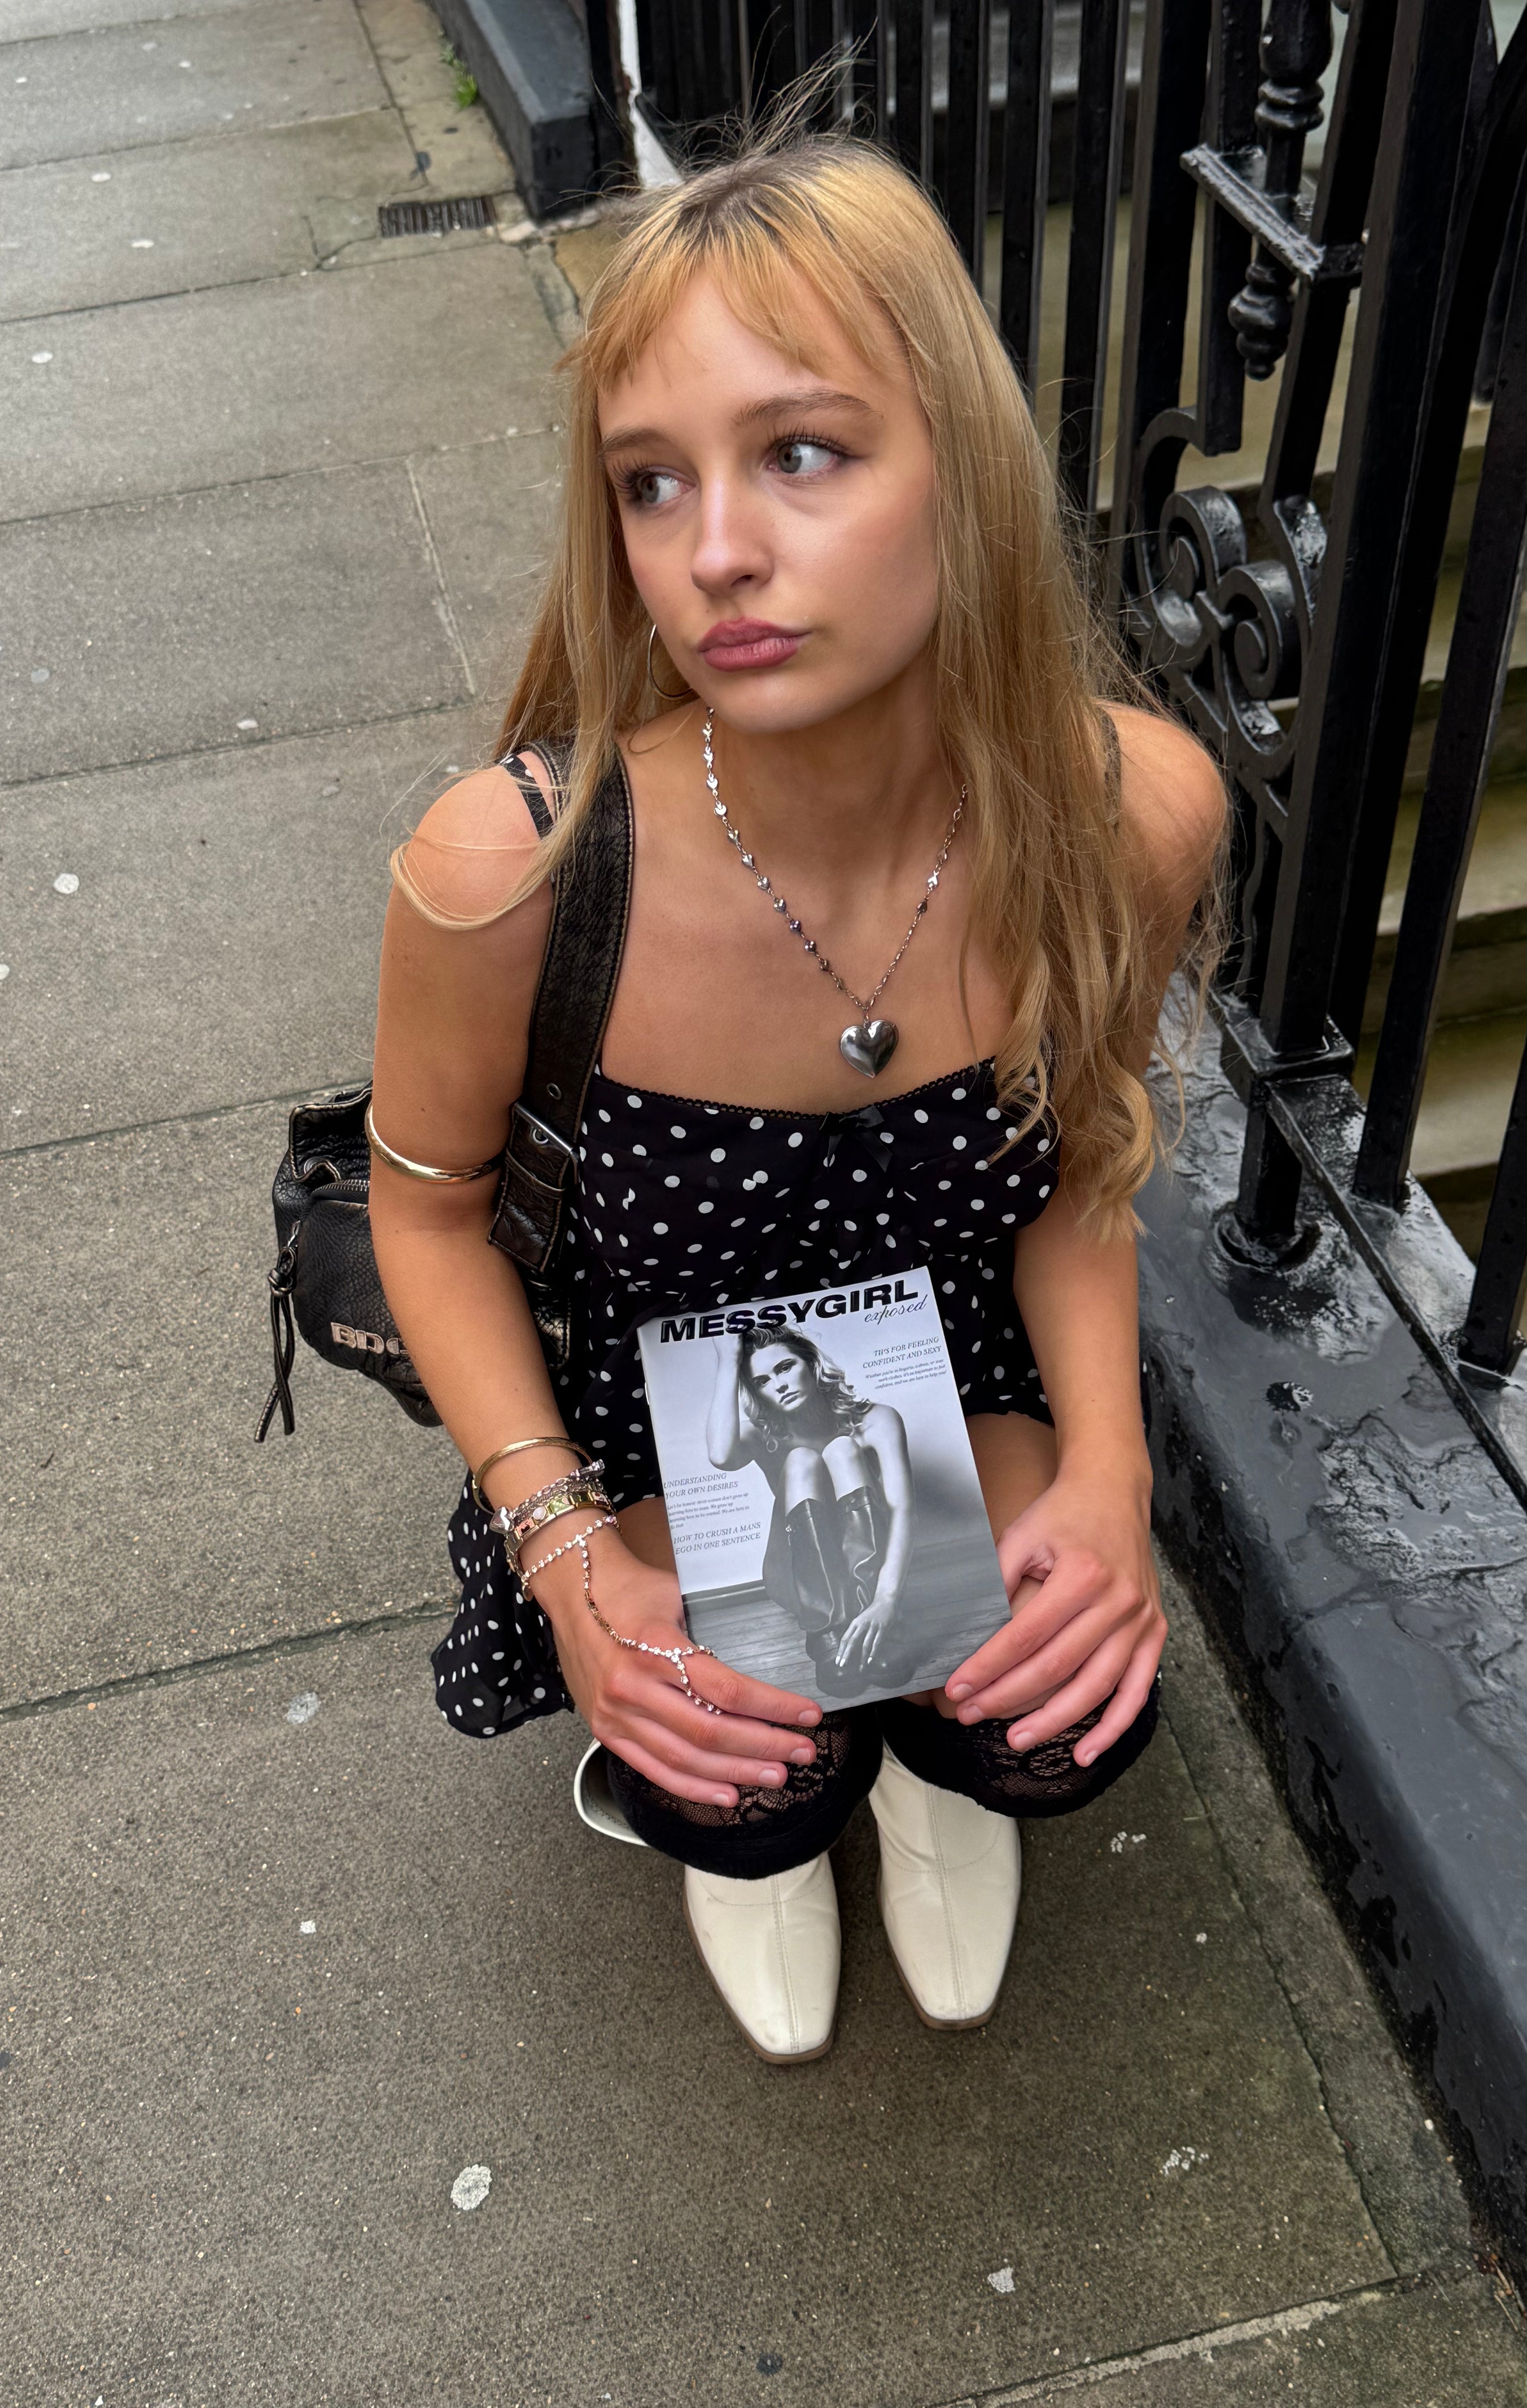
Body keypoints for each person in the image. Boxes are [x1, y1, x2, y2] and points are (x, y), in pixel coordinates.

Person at [366, 128, 1226, 2064]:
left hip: (958, 1376)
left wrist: (1108, 1474)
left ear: (962, 467)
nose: (715, 555)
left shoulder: (1127, 814)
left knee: (1045, 1716)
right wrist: (570, 1560)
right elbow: (421, 1213)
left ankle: (924, 1765)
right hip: (657, 1416)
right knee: (741, 1773)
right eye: (652, 482)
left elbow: (1080, 1166)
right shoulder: (513, 870)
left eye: (803, 453)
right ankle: (768, 1831)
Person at [708, 1326, 916, 1694]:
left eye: (785, 1367)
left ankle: (871, 1621)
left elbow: (902, 1510)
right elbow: (721, 1456)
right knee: (802, 1459)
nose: (779, 1385)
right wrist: (728, 1361)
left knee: (842, 1449)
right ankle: (828, 1630)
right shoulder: (763, 1435)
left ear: (811, 1363)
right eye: (762, 1382)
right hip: (796, 1576)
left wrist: (887, 1599)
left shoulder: (877, 1420)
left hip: (870, 1579)